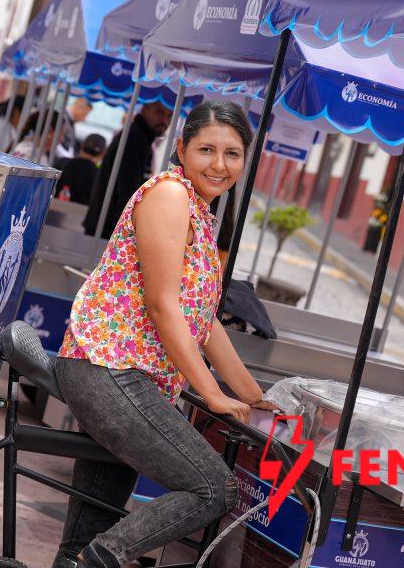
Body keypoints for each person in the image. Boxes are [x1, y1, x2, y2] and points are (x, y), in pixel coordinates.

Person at [53, 101, 276, 568]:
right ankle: (103, 559)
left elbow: (204, 321)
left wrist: (254, 395)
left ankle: (85, 558)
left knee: (87, 530)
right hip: (109, 369)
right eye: (207, 150)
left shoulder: (199, 210)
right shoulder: (171, 195)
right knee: (213, 487)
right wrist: (211, 394)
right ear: (181, 149)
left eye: (232, 154)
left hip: (129, 378)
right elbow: (162, 304)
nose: (219, 165)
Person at [82, 101, 173, 239]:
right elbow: (128, 192)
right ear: (144, 109)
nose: (164, 120)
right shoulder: (134, 139)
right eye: (159, 112)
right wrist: (127, 234)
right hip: (107, 231)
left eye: (169, 115)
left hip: (106, 226)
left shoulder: (141, 138)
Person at [56, 134, 106, 205]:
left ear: (82, 147)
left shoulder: (63, 163)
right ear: (102, 154)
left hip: (55, 211)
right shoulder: (99, 176)